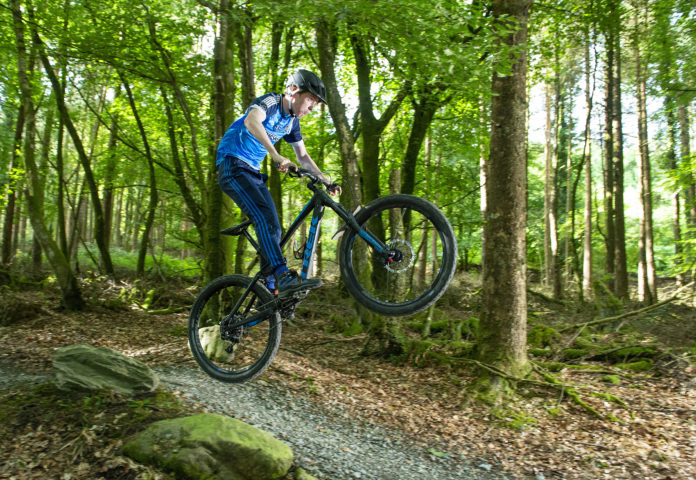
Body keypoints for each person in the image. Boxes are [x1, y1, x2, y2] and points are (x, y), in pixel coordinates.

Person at [216, 69, 340, 296]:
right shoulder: (271, 102)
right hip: (232, 165)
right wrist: (276, 156)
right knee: (265, 218)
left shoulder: (292, 122)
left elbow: (302, 156)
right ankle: (281, 275)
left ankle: (269, 288)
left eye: (315, 105)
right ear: (294, 91)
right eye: (310, 101)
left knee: (274, 226)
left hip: (251, 172)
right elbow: (252, 121)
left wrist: (325, 180)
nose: (311, 109)